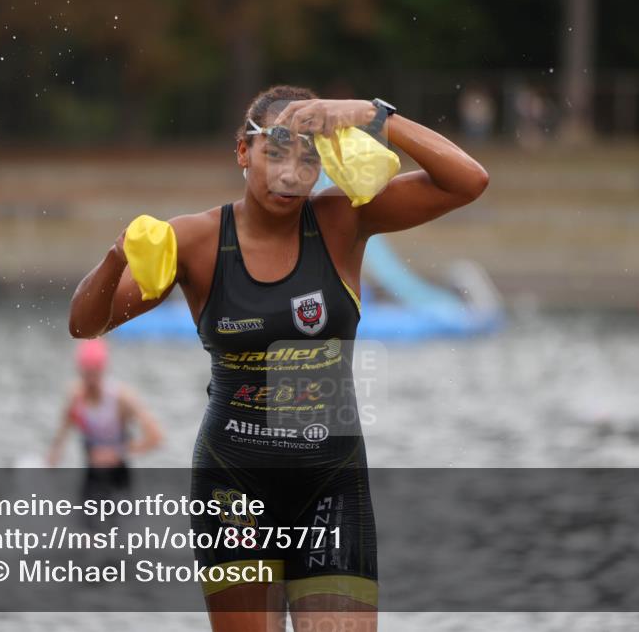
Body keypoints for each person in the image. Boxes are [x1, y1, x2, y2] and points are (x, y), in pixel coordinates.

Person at [68, 85, 489, 632]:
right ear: (243, 152)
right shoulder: (194, 240)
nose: (291, 174)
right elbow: (85, 323)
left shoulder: (344, 221)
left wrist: (372, 116)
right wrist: (115, 255)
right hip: (233, 482)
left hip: (331, 483)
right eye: (276, 153)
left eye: (309, 158)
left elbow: (468, 181)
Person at [47, 338, 163, 505]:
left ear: (103, 370)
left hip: (118, 475)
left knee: (120, 527)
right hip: (92, 474)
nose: (90, 381)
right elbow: (63, 431)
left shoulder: (122, 398)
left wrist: (115, 453)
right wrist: (52, 457)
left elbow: (156, 438)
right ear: (79, 371)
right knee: (85, 527)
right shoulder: (75, 396)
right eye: (85, 374)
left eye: (94, 374)